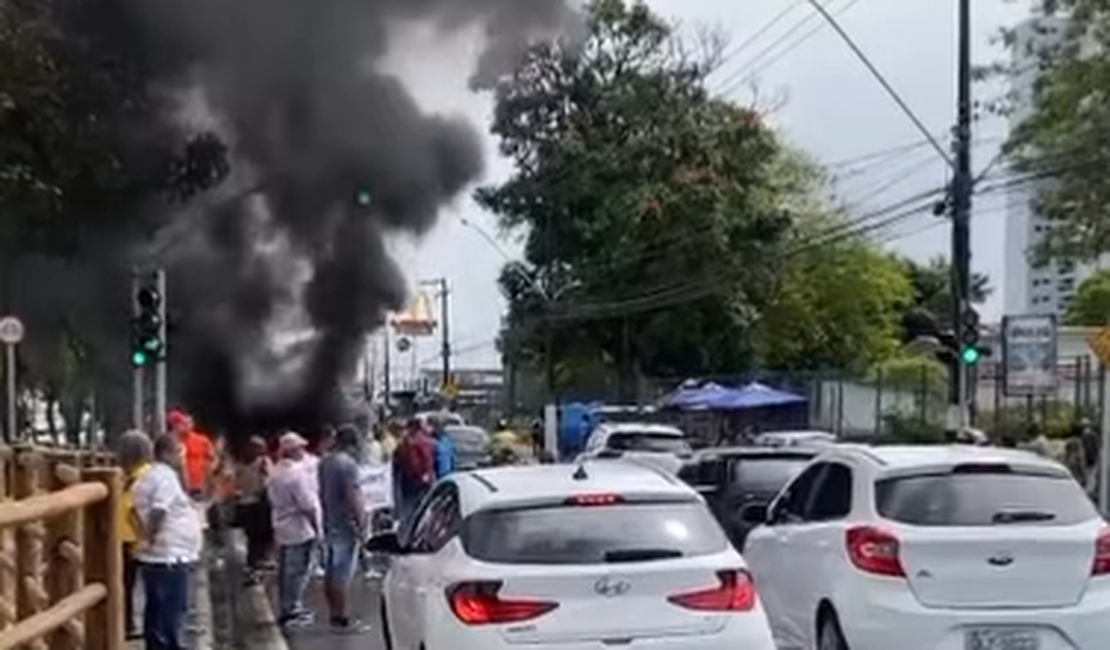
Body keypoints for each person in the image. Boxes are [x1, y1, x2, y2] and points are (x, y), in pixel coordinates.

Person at [131, 433, 203, 650]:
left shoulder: (149, 476)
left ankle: (157, 645)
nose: (182, 457)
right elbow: (159, 509)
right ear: (166, 453)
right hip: (170, 555)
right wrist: (149, 537)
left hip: (159, 555)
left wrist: (143, 536)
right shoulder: (166, 477)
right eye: (179, 452)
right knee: (171, 608)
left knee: (155, 608)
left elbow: (132, 511)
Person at [317, 424, 370, 633]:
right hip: (345, 524)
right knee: (342, 573)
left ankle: (334, 614)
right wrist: (362, 521)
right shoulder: (348, 464)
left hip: (329, 520)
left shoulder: (325, 461)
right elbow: (353, 495)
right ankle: (342, 618)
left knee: (331, 571)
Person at [267, 432, 320, 628]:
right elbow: (307, 505)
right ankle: (292, 610)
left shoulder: (275, 472)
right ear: (294, 451)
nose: (303, 451)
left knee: (286, 570)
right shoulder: (296, 474)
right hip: (299, 528)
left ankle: (287, 607)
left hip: (282, 525)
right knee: (298, 571)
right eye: (300, 448)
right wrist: (317, 528)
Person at [117, 429, 154, 640]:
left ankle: (129, 624)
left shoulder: (139, 476)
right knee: (132, 584)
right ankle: (130, 623)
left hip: (131, 538)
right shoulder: (134, 475)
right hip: (131, 537)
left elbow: (132, 510)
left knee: (128, 584)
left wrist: (142, 537)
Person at [237, 436, 274, 582]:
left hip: (247, 504)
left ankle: (254, 565)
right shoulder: (263, 462)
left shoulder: (242, 463)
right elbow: (269, 482)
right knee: (260, 537)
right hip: (259, 505)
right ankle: (255, 567)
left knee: (253, 538)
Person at [393, 420, 435, 523]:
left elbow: (412, 461)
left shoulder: (410, 442)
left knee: (410, 506)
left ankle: (410, 527)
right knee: (425, 504)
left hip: (412, 479)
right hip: (427, 478)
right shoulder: (429, 441)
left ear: (412, 428)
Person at [168, 409, 215, 501]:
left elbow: (213, 459)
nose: (186, 425)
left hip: (198, 487)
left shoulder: (202, 441)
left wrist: (208, 479)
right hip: (177, 486)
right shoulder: (169, 442)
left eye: (189, 422)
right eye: (183, 423)